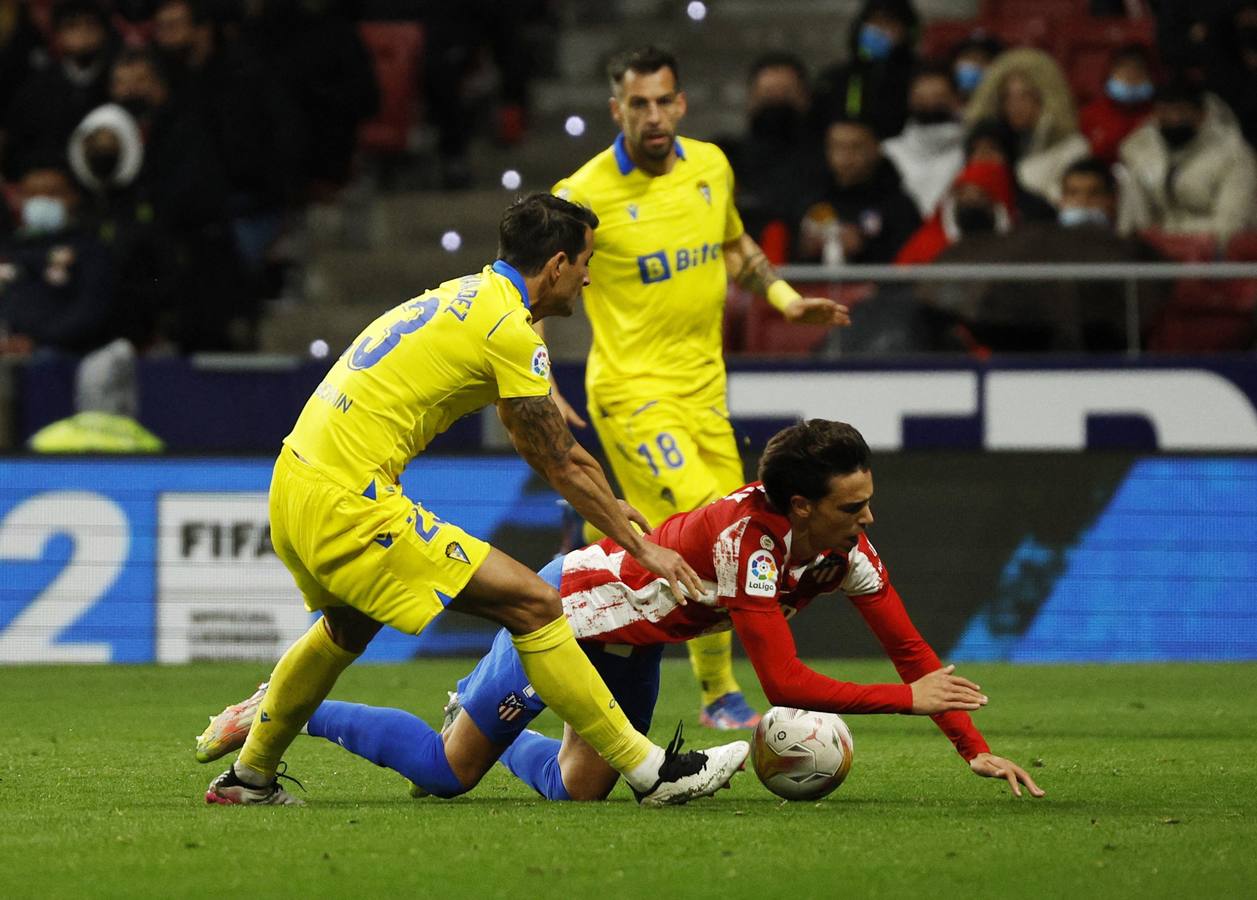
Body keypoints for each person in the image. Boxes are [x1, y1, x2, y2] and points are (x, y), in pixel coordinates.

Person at [201, 193, 749, 807]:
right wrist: (642, 547)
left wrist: (612, 507)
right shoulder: (508, 329)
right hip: (349, 497)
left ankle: (249, 776)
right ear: (559, 263)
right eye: (586, 262)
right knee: (538, 605)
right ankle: (651, 773)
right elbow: (558, 458)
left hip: (294, 480)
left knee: (346, 627)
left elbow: (539, 441)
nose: (590, 277)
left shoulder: (465, 295)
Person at [198, 420, 1046, 803]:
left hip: (635, 644)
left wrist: (969, 748)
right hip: (568, 612)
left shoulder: (841, 552)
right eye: (851, 507)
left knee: (579, 792)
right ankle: (275, 710)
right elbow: (782, 680)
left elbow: (908, 649)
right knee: (443, 776)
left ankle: (479, 709)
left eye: (867, 502)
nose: (868, 521)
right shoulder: (746, 542)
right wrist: (909, 703)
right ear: (795, 506)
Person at [547, 46, 850, 731]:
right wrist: (532, 374)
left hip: (705, 392)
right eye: (638, 104)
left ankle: (579, 587)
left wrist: (782, 294)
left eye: (663, 101)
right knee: (711, 531)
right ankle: (719, 695)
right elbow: (527, 274)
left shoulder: (710, 165)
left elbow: (734, 245)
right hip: (630, 392)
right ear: (615, 109)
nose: (653, 116)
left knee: (709, 529)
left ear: (680, 103)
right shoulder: (583, 193)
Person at [717, 52, 829, 261]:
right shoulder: (726, 156)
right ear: (752, 99)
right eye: (768, 94)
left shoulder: (829, 158)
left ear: (805, 98)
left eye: (786, 93)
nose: (777, 101)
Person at [1117, 78, 1257, 242]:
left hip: (1216, 254)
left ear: (1202, 114)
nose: (1173, 119)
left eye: (1181, 111)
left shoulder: (1235, 155)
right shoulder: (1141, 147)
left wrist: (1169, 236)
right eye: (1164, 112)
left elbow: (1232, 225)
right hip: (1155, 251)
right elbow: (1132, 217)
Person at [0, 162, 117, 357]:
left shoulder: (89, 250)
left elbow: (88, 310)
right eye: (32, 194)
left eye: (52, 194)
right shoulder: (11, 250)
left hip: (62, 355)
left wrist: (37, 340)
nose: (41, 201)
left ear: (73, 197)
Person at [964, 47, 1091, 205]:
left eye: (1025, 95)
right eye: (1007, 97)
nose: (1015, 105)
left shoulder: (1072, 148)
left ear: (1045, 97)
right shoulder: (991, 149)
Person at [796, 117, 921, 264]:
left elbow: (912, 265)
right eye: (837, 147)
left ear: (876, 148)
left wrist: (864, 247)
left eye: (855, 147)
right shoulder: (808, 199)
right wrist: (804, 249)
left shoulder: (899, 206)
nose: (845, 158)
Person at [812, 0, 920, 139]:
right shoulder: (837, 77)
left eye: (888, 24)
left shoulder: (918, 76)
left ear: (906, 30)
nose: (878, 31)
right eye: (873, 23)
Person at [879, 62, 966, 218]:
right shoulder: (888, 153)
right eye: (922, 99)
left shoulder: (971, 153)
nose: (930, 105)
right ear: (910, 100)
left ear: (956, 99)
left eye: (939, 98)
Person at [1078, 44, 1157, 165]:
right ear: (1110, 73)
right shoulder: (1090, 114)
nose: (1131, 77)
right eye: (1124, 70)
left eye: (1138, 70)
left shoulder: (1157, 115)